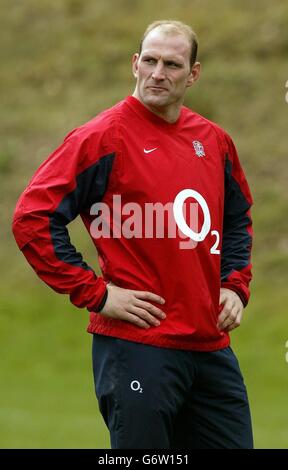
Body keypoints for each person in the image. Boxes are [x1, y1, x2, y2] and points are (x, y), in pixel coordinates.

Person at [12, 20, 254, 449]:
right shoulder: (101, 137)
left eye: (172, 64)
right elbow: (33, 217)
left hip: (211, 347)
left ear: (193, 74)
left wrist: (234, 285)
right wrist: (98, 293)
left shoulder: (214, 142)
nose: (158, 72)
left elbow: (237, 219)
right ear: (134, 64)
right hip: (138, 346)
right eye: (150, 60)